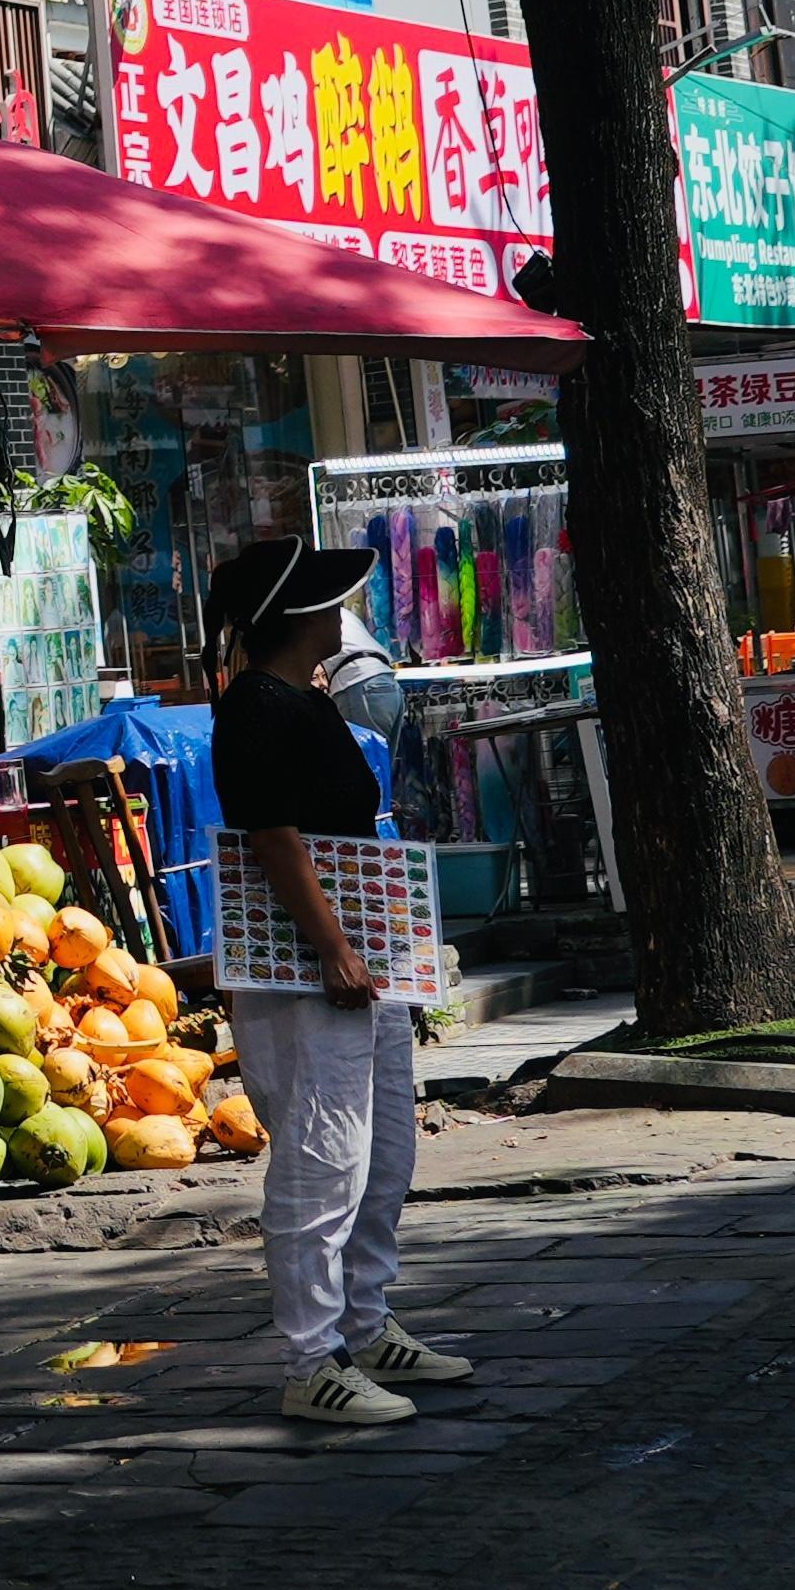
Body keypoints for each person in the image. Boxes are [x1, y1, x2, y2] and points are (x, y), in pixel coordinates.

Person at [199, 539, 472, 1429]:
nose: (342, 618)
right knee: (323, 1157)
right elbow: (274, 837)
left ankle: (368, 1318)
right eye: (329, 605)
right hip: (307, 971)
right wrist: (331, 949)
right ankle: (312, 1357)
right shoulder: (254, 707)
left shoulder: (295, 699)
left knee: (383, 1148)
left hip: (359, 959)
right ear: (297, 618)